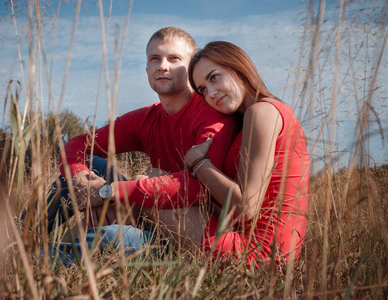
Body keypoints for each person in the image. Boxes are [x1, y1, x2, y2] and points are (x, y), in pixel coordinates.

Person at [38, 28, 239, 256]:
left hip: (192, 229)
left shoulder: (212, 114)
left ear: (191, 67)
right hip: (149, 207)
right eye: (155, 59)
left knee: (110, 234)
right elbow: (78, 144)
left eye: (174, 59)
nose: (163, 66)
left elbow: (198, 188)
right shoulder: (145, 118)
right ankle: (19, 242)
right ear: (146, 69)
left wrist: (109, 191)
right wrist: (81, 179)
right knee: (83, 169)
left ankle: (37, 263)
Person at [184, 41, 309, 267]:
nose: (211, 93)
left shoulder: (262, 112)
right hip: (261, 249)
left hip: (258, 254)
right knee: (154, 181)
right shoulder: (253, 117)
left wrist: (197, 162)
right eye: (202, 90)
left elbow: (245, 207)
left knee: (153, 203)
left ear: (238, 67)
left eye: (214, 78)